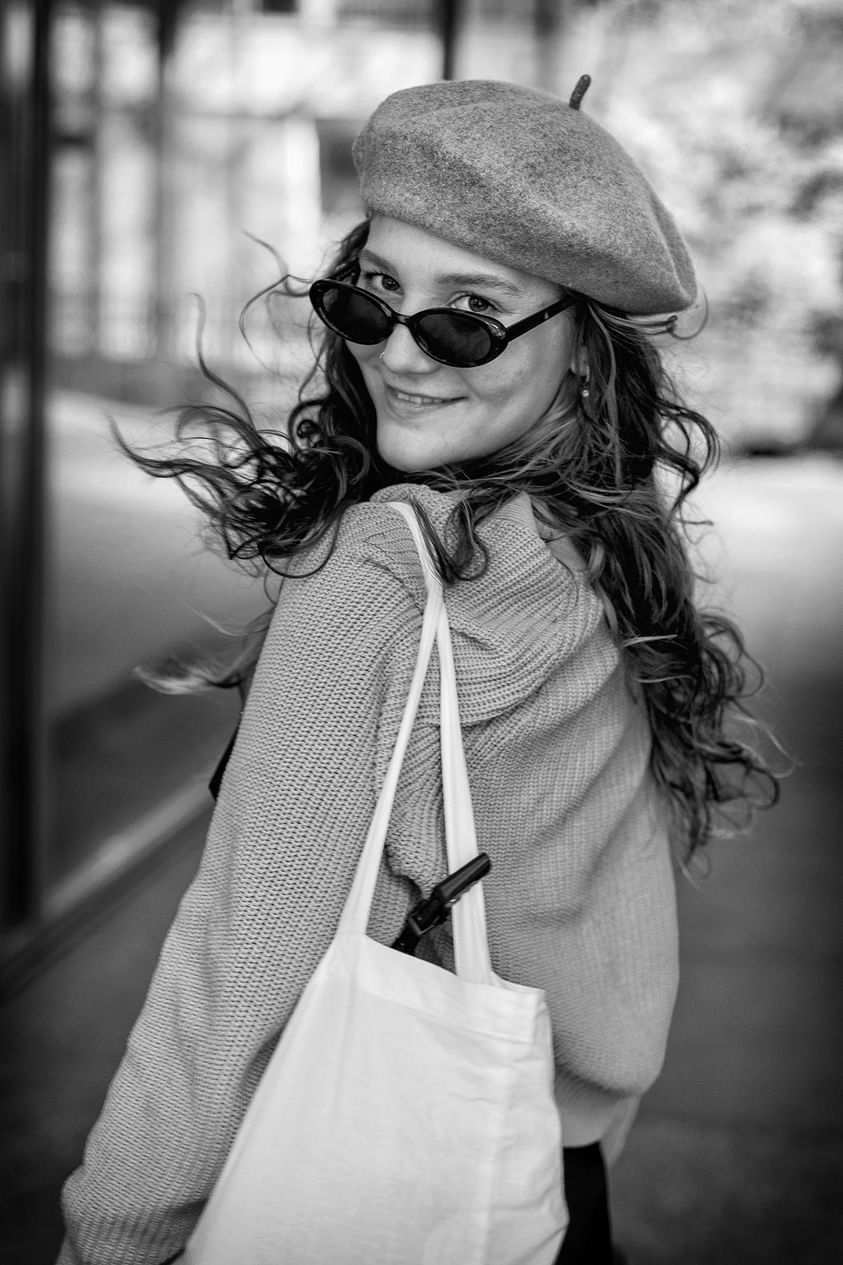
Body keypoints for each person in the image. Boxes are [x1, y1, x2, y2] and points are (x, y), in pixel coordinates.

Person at [56, 76, 778, 1265]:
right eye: (373, 294)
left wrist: (112, 1237)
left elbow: (236, 977)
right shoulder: (601, 546)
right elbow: (608, 926)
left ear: (584, 352)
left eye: (469, 317)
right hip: (542, 1184)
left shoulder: (378, 581)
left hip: (375, 1186)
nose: (400, 351)